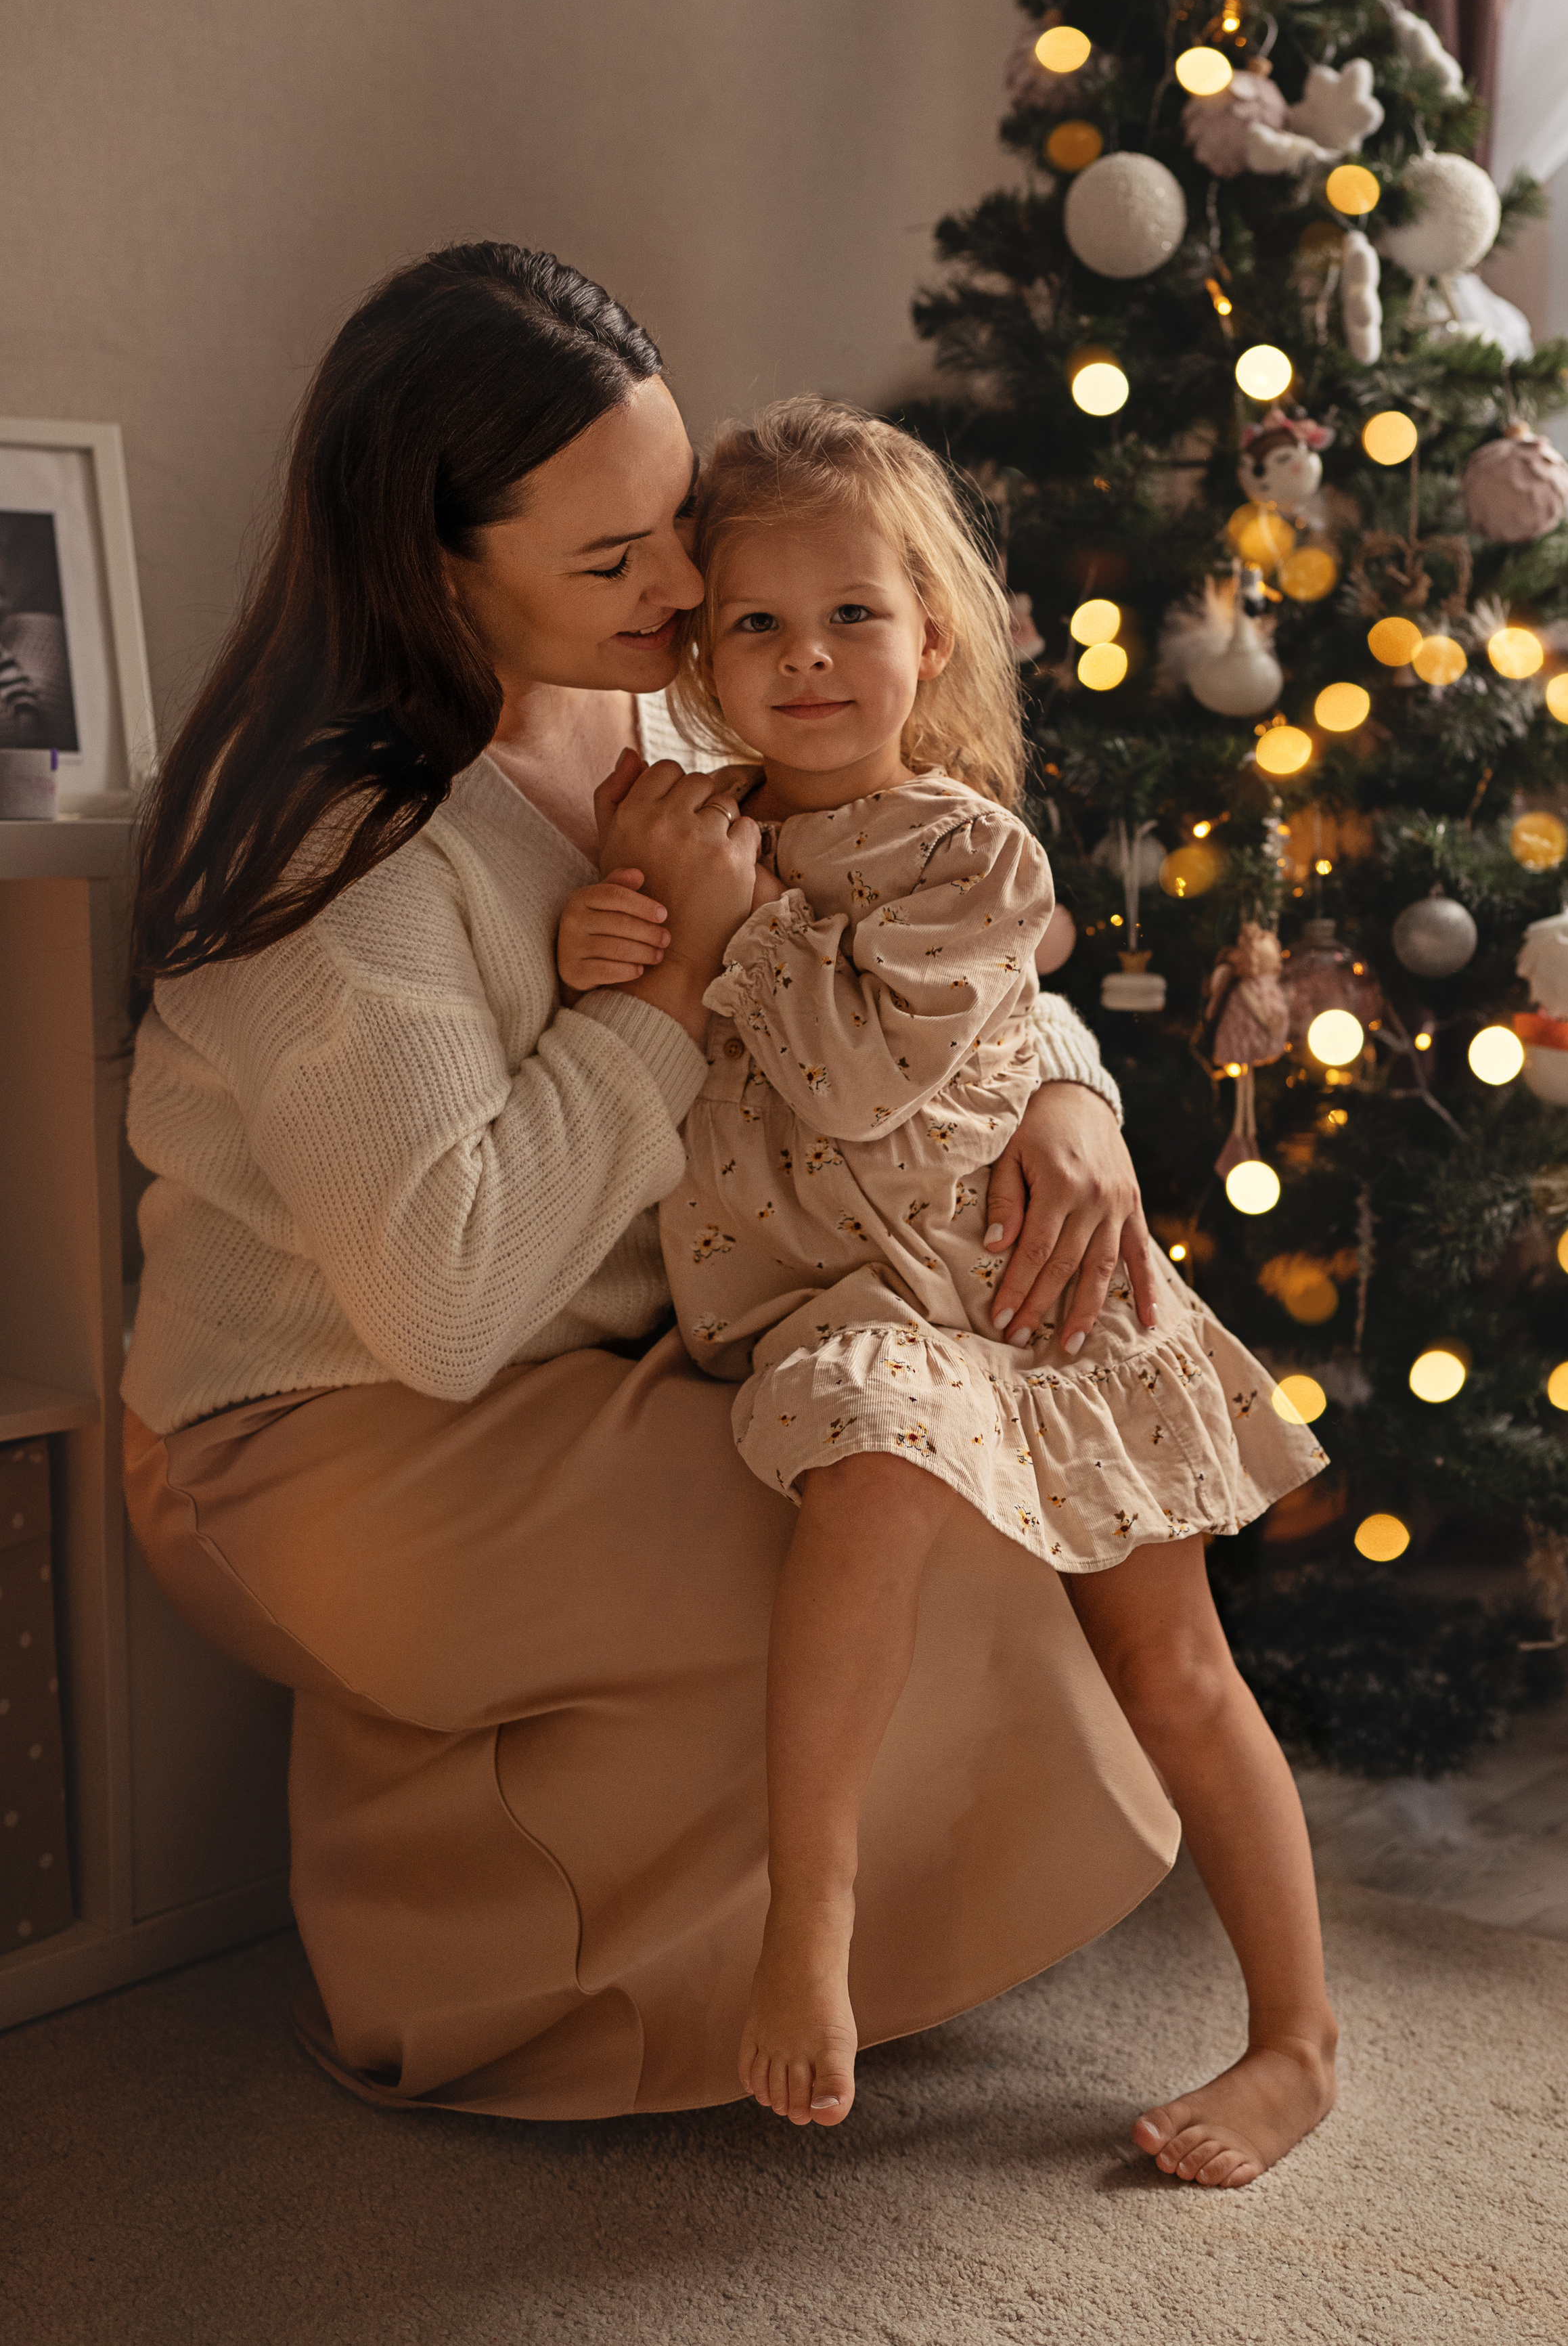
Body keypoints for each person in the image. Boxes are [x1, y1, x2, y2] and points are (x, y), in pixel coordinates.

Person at [120, 242, 1184, 2128]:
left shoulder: (675, 703)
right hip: (338, 1423)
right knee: (910, 1518)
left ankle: (790, 1957)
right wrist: (680, 985)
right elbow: (447, 1303)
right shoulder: (336, 838)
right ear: (436, 568)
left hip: (641, 1350)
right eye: (613, 564)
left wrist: (1071, 1102)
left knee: (962, 1462)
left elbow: (936, 938)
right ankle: (506, 1984)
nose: (689, 590)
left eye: (675, 524)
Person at [562, 397, 1340, 2187]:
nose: (809, 659)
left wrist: (702, 922)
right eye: (757, 623)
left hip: (1032, 1295)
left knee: (1181, 1673)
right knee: (879, 1451)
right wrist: (603, 934)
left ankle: (1296, 2038)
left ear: (932, 638)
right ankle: (807, 1917)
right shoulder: (683, 822)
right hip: (860, 1315)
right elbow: (626, 1007)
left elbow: (842, 1075)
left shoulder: (964, 856)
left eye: (854, 616)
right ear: (697, 653)